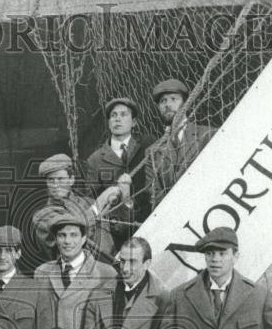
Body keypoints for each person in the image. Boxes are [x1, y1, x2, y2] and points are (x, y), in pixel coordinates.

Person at [33, 206, 116, 329]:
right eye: (62, 235)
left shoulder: (106, 274)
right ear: (56, 239)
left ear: (84, 239)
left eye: (74, 235)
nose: (67, 241)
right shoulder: (42, 273)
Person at [83, 98, 155, 246]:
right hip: (115, 232)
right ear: (109, 123)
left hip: (150, 223)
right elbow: (92, 201)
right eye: (113, 115)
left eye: (123, 114)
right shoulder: (95, 160)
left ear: (134, 122)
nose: (118, 119)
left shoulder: (148, 145)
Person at [144, 78, 213, 212]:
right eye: (163, 101)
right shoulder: (152, 153)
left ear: (185, 103)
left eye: (173, 99)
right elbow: (154, 195)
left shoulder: (207, 134)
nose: (167, 104)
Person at [30, 154, 113, 260]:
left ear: (71, 180)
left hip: (111, 269)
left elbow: (119, 228)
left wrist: (125, 199)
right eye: (51, 180)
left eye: (60, 179)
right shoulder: (42, 216)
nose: (56, 185)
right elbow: (71, 229)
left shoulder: (89, 203)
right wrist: (98, 206)